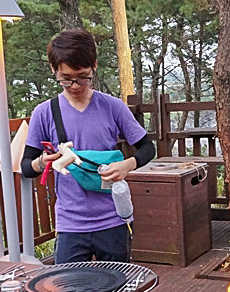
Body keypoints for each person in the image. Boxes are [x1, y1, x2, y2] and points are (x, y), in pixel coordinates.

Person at [21, 29, 156, 263]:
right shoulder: (45, 112)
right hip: (70, 224)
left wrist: (127, 165)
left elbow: (147, 147)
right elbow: (26, 166)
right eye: (66, 78)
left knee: (118, 284)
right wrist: (42, 162)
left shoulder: (112, 107)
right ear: (54, 70)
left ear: (94, 66)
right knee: (70, 284)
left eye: (82, 77)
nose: (75, 85)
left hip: (113, 219)